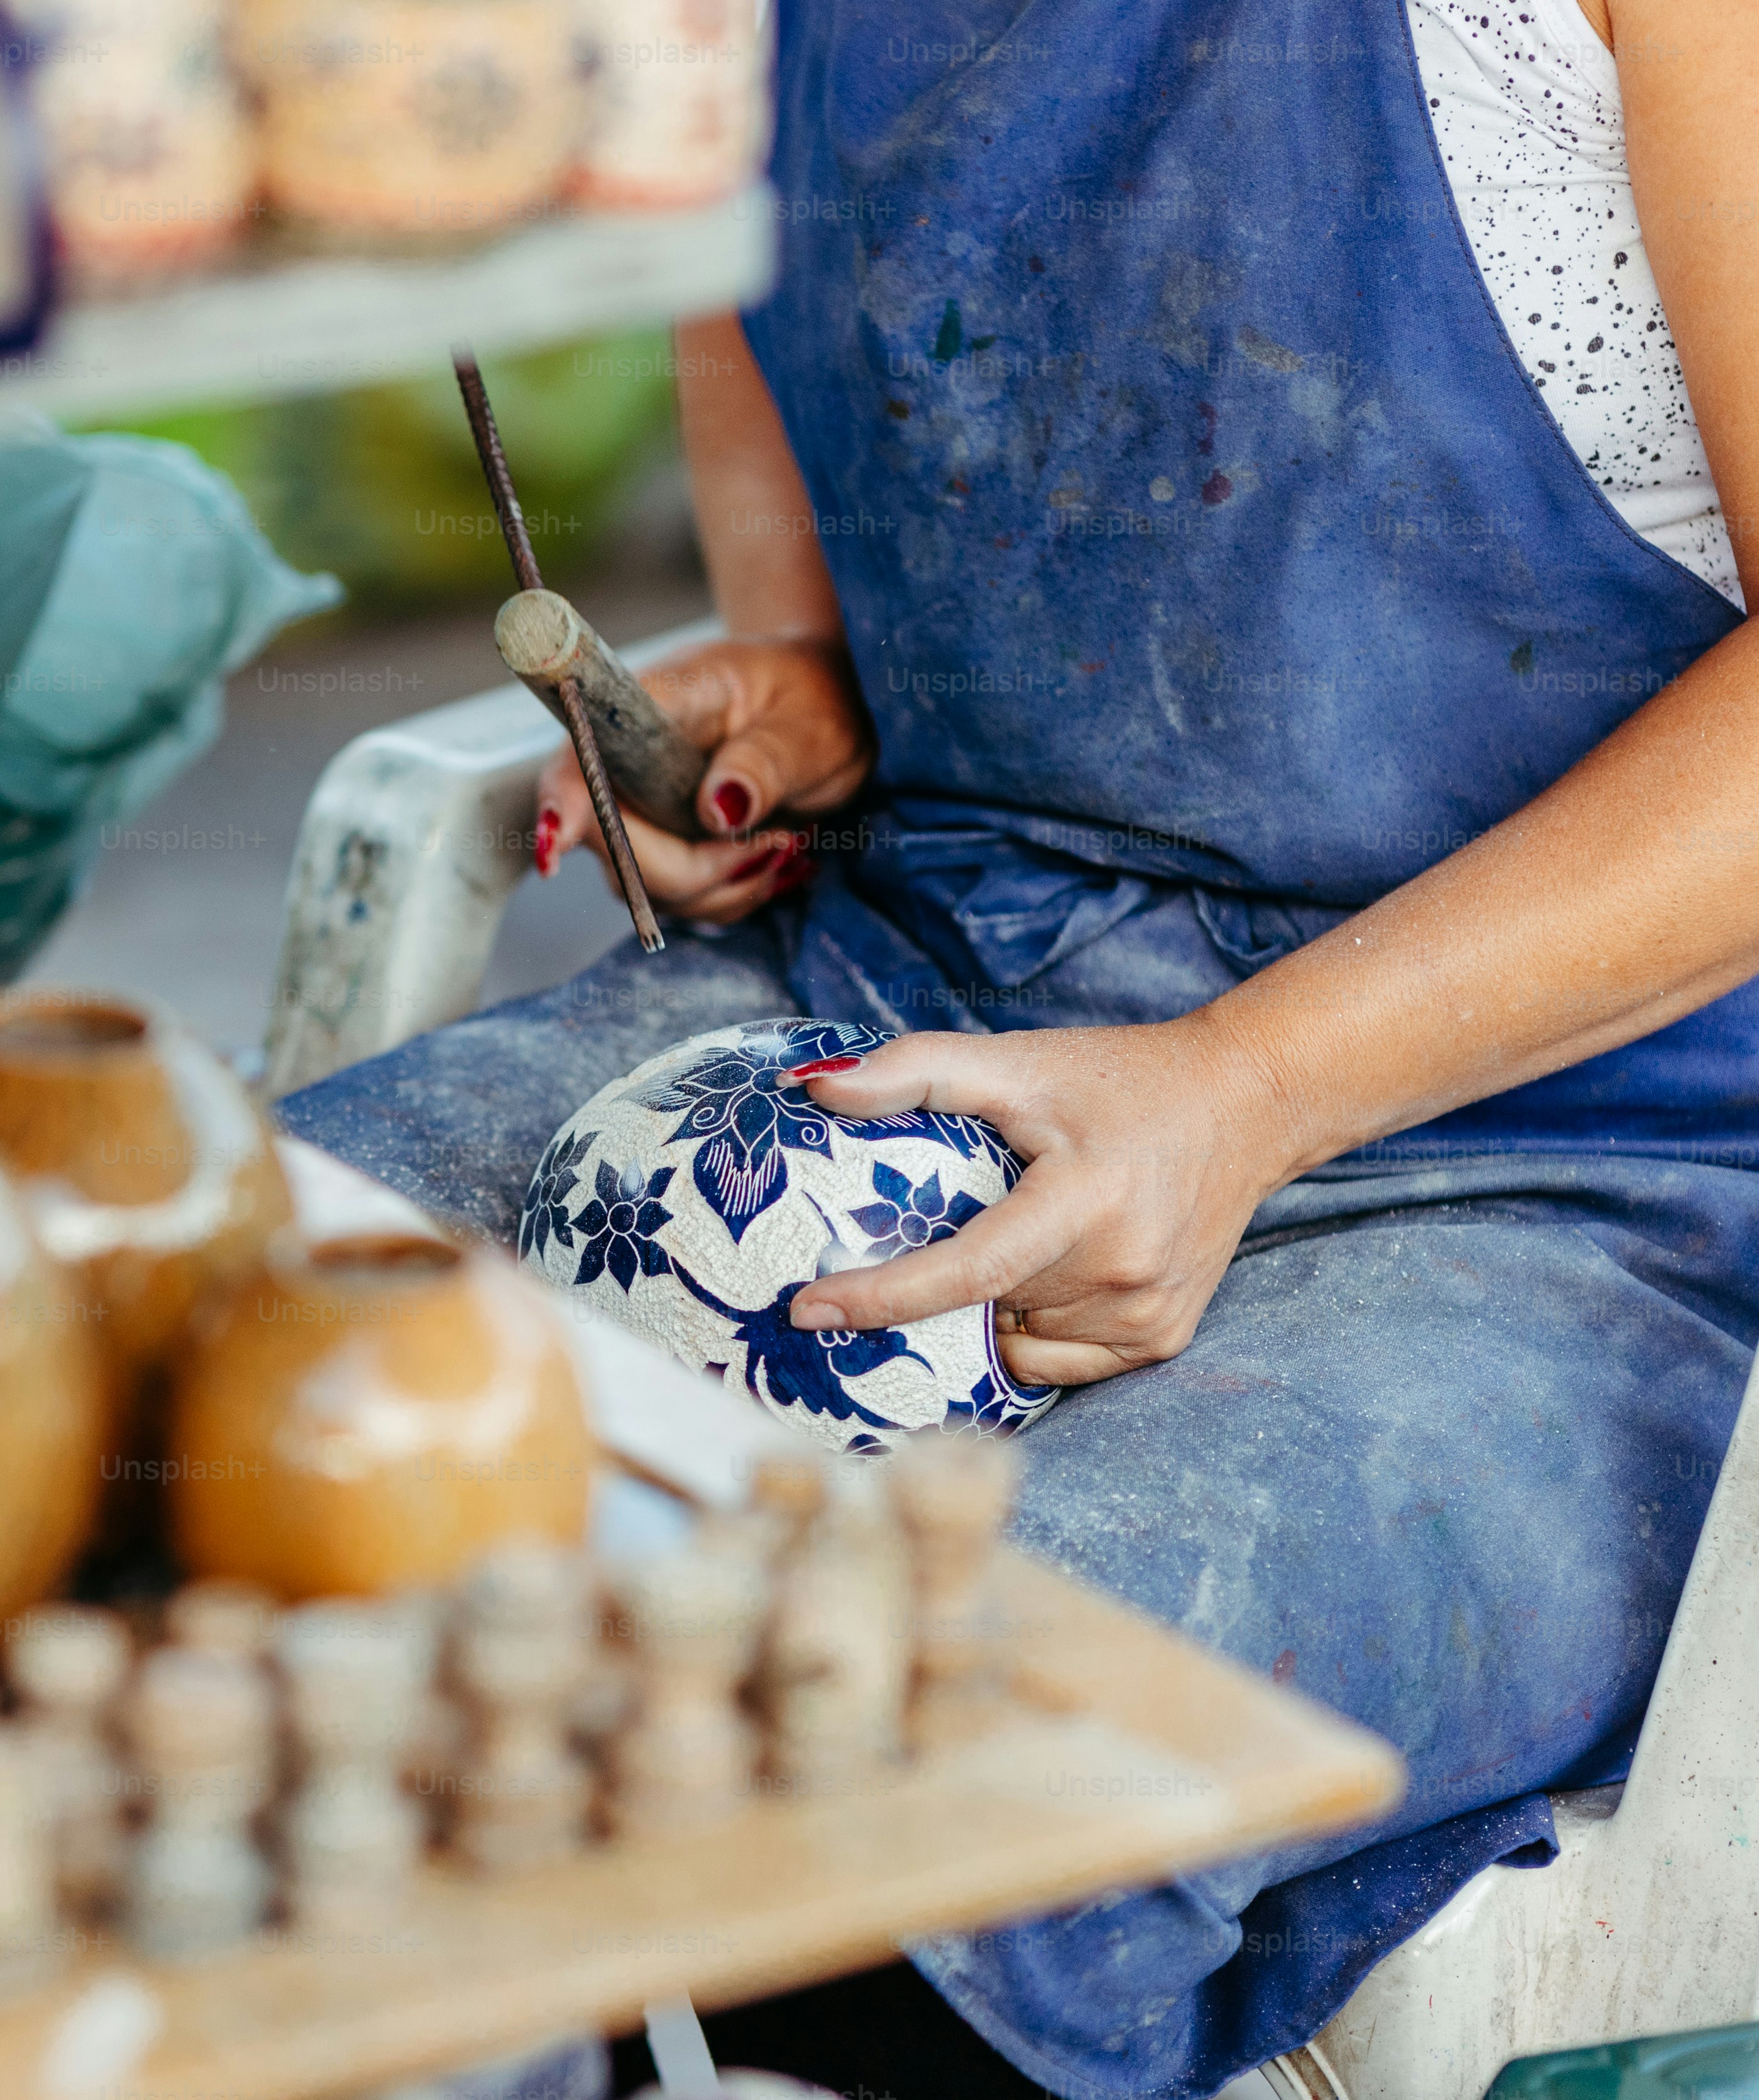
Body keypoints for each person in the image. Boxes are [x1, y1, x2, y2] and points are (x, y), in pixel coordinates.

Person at [279, 0, 1759, 2091]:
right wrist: (790, 691)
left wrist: (1247, 1087)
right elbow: (814, 471)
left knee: (920, 1780)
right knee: (198, 1394)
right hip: (916, 985)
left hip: (1582, 1167)